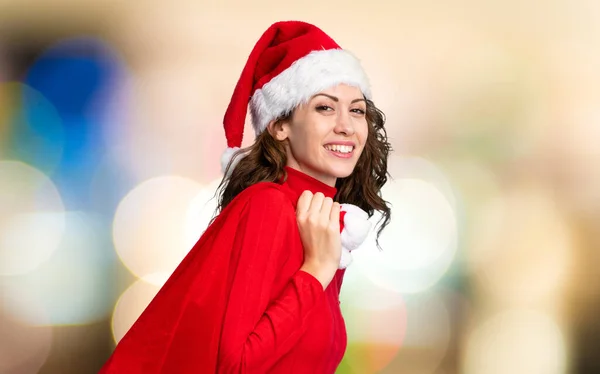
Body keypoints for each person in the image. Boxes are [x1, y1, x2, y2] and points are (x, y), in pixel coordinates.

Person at [99, 20, 391, 373]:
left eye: (356, 110)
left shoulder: (321, 223)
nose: (346, 125)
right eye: (324, 108)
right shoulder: (267, 207)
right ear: (279, 125)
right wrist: (317, 269)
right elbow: (237, 365)